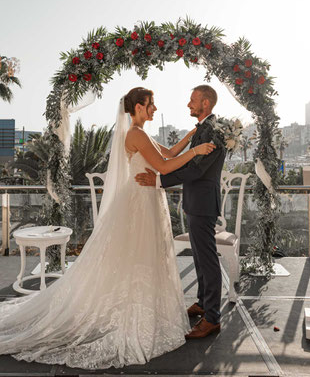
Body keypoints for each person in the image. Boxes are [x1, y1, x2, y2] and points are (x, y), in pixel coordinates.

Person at [0, 87, 215, 369]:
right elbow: (165, 166)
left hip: (146, 199)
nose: (154, 109)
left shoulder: (142, 133)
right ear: (138, 107)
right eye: (151, 104)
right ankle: (134, 311)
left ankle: (145, 307)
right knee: (138, 254)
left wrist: (190, 137)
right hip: (139, 201)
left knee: (144, 255)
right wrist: (197, 149)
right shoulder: (136, 134)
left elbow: (172, 151)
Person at [135, 85, 226, 339]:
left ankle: (213, 318)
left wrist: (158, 181)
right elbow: (186, 160)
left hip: (203, 203)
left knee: (207, 259)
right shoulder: (204, 129)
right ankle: (202, 302)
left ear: (205, 104)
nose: (188, 104)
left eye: (193, 100)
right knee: (198, 255)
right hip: (196, 201)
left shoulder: (212, 131)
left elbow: (196, 170)